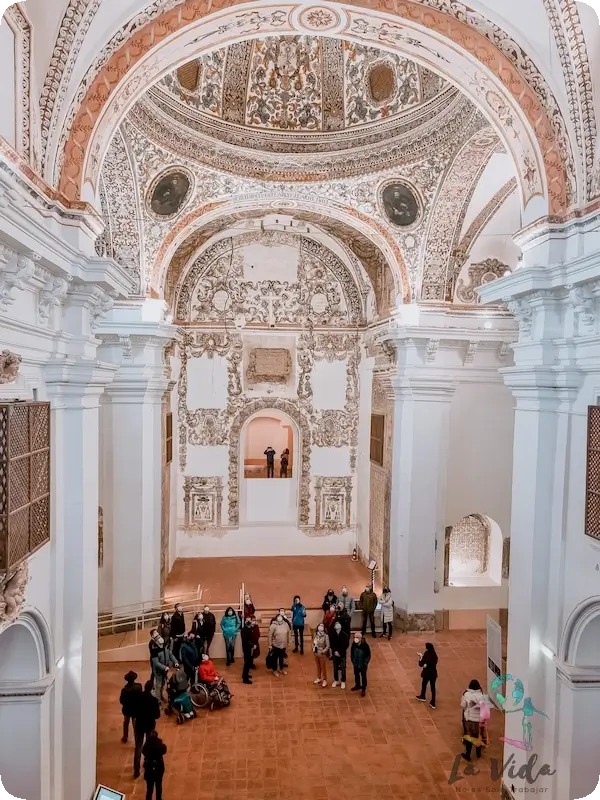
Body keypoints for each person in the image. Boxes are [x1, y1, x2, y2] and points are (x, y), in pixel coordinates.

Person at [133, 680, 160, 779]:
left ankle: (136, 770)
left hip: (140, 725)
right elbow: (157, 715)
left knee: (138, 747)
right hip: (149, 725)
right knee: (149, 746)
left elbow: (135, 711)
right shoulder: (154, 700)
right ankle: (148, 767)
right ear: (152, 689)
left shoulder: (138, 697)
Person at [149, 630, 178, 702]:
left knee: (163, 684)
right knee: (158, 685)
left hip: (165, 670)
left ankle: (160, 696)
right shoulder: (154, 650)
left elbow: (170, 654)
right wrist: (164, 667)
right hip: (158, 671)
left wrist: (175, 662)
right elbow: (156, 663)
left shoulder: (165, 647)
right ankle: (158, 700)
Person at [461, 679, 486, 761]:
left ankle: (468, 754)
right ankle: (478, 753)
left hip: (469, 720)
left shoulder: (467, 695)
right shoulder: (481, 696)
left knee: (469, 737)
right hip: (478, 720)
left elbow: (463, 705)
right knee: (478, 736)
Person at [143, 729, 167, 800]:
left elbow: (143, 751)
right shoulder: (159, 744)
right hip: (158, 768)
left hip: (149, 769)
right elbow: (164, 749)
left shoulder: (146, 745)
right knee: (158, 786)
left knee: (149, 789)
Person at [120, 670, 142, 744]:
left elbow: (121, 701)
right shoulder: (139, 686)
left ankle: (125, 737)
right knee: (135, 725)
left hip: (127, 709)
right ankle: (136, 740)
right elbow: (140, 697)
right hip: (136, 710)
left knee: (126, 723)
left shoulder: (124, 690)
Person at [416, 642, 438, 709]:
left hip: (427, 673)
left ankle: (423, 696)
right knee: (433, 688)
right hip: (433, 673)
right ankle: (433, 702)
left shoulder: (426, 654)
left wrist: (420, 657)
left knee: (424, 684)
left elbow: (421, 664)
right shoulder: (435, 655)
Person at [350, 631, 371, 697]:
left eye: (356, 637)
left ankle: (363, 689)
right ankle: (357, 685)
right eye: (354, 637)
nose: (355, 638)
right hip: (356, 664)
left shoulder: (365, 646)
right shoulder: (354, 644)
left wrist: (365, 663)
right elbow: (352, 653)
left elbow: (368, 656)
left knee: (363, 676)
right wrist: (353, 661)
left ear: (360, 638)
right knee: (356, 675)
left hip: (362, 665)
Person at [329, 621, 349, 689]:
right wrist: (335, 651)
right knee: (335, 667)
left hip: (342, 654)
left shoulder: (344, 635)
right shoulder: (332, 634)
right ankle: (336, 680)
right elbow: (331, 644)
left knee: (343, 667)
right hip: (335, 653)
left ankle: (343, 681)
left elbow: (346, 645)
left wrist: (339, 652)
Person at [312, 623, 331, 687]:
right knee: (318, 666)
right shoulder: (316, 635)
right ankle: (319, 678)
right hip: (316, 653)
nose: (320, 627)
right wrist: (313, 649)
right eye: (320, 626)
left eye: (322, 626)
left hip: (322, 653)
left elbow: (328, 646)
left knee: (323, 667)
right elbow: (313, 643)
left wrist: (323, 651)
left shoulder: (326, 636)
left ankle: (325, 679)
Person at [241, 617, 256, 684]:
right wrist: (252, 645)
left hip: (250, 648)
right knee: (246, 663)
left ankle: (246, 675)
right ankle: (245, 679)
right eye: (247, 620)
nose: (249, 622)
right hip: (247, 648)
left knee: (249, 662)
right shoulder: (244, 629)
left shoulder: (250, 628)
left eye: (250, 620)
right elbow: (245, 641)